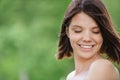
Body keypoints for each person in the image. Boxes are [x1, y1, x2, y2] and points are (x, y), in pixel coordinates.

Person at [57, 0, 120, 80]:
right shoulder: (71, 76)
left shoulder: (102, 67)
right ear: (68, 32)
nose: (87, 38)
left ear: (103, 34)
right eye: (78, 30)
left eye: (96, 32)